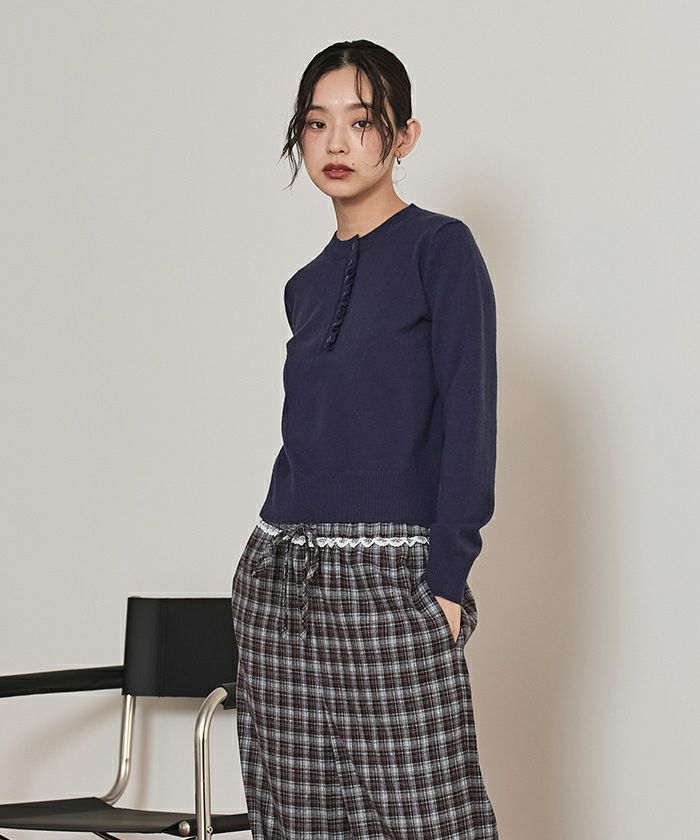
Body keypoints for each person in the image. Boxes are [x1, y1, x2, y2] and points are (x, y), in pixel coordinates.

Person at [231, 38, 499, 840]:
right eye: (317, 123)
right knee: (298, 819)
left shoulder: (440, 250)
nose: (336, 143)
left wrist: (446, 577)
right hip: (281, 577)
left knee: (427, 816)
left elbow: (471, 417)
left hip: (391, 574)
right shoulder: (305, 286)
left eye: (361, 121)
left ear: (404, 135)